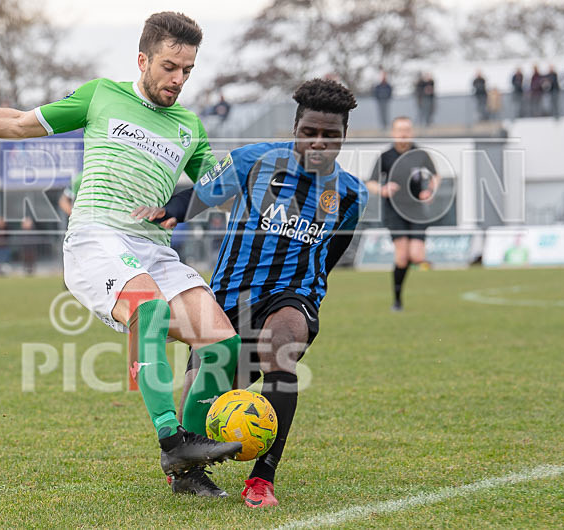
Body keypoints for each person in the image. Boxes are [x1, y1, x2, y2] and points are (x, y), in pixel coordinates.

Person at [0, 11, 244, 487]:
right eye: (170, 67)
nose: (179, 79)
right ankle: (172, 442)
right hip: (96, 238)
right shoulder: (102, 95)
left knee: (223, 344)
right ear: (143, 59)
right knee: (151, 312)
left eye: (188, 70)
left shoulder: (190, 126)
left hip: (154, 249)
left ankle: (187, 469)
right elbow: (18, 124)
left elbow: (219, 184)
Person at [133, 78, 367, 507]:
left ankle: (262, 478)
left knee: (284, 348)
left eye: (329, 135)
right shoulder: (255, 159)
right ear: (295, 128)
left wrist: (308, 299)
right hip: (229, 296)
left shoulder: (352, 193)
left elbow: (332, 253)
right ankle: (189, 471)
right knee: (202, 390)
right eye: (309, 132)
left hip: (292, 295)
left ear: (343, 136)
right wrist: (171, 213)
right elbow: (202, 195)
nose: (318, 142)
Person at [366, 116, 440, 311]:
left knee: (416, 256)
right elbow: (371, 183)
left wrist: (429, 191)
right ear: (393, 133)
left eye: (406, 130)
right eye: (399, 130)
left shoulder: (420, 154)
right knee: (401, 257)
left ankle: (416, 262)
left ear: (411, 132)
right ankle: (397, 300)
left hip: (416, 210)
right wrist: (383, 189)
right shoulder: (385, 156)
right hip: (394, 211)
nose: (403, 134)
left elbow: (435, 176)